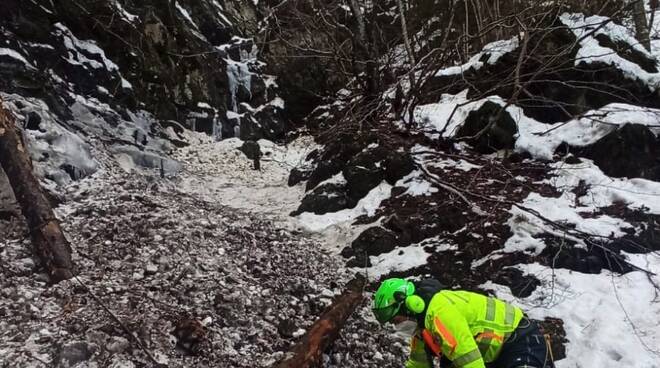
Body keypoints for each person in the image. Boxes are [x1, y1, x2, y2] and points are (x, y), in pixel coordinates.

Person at [372, 278, 551, 368]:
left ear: (410, 306)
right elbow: (418, 365)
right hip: (496, 353)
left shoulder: (440, 313)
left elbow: (470, 364)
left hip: (520, 342)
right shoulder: (422, 328)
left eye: (397, 320)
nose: (396, 327)